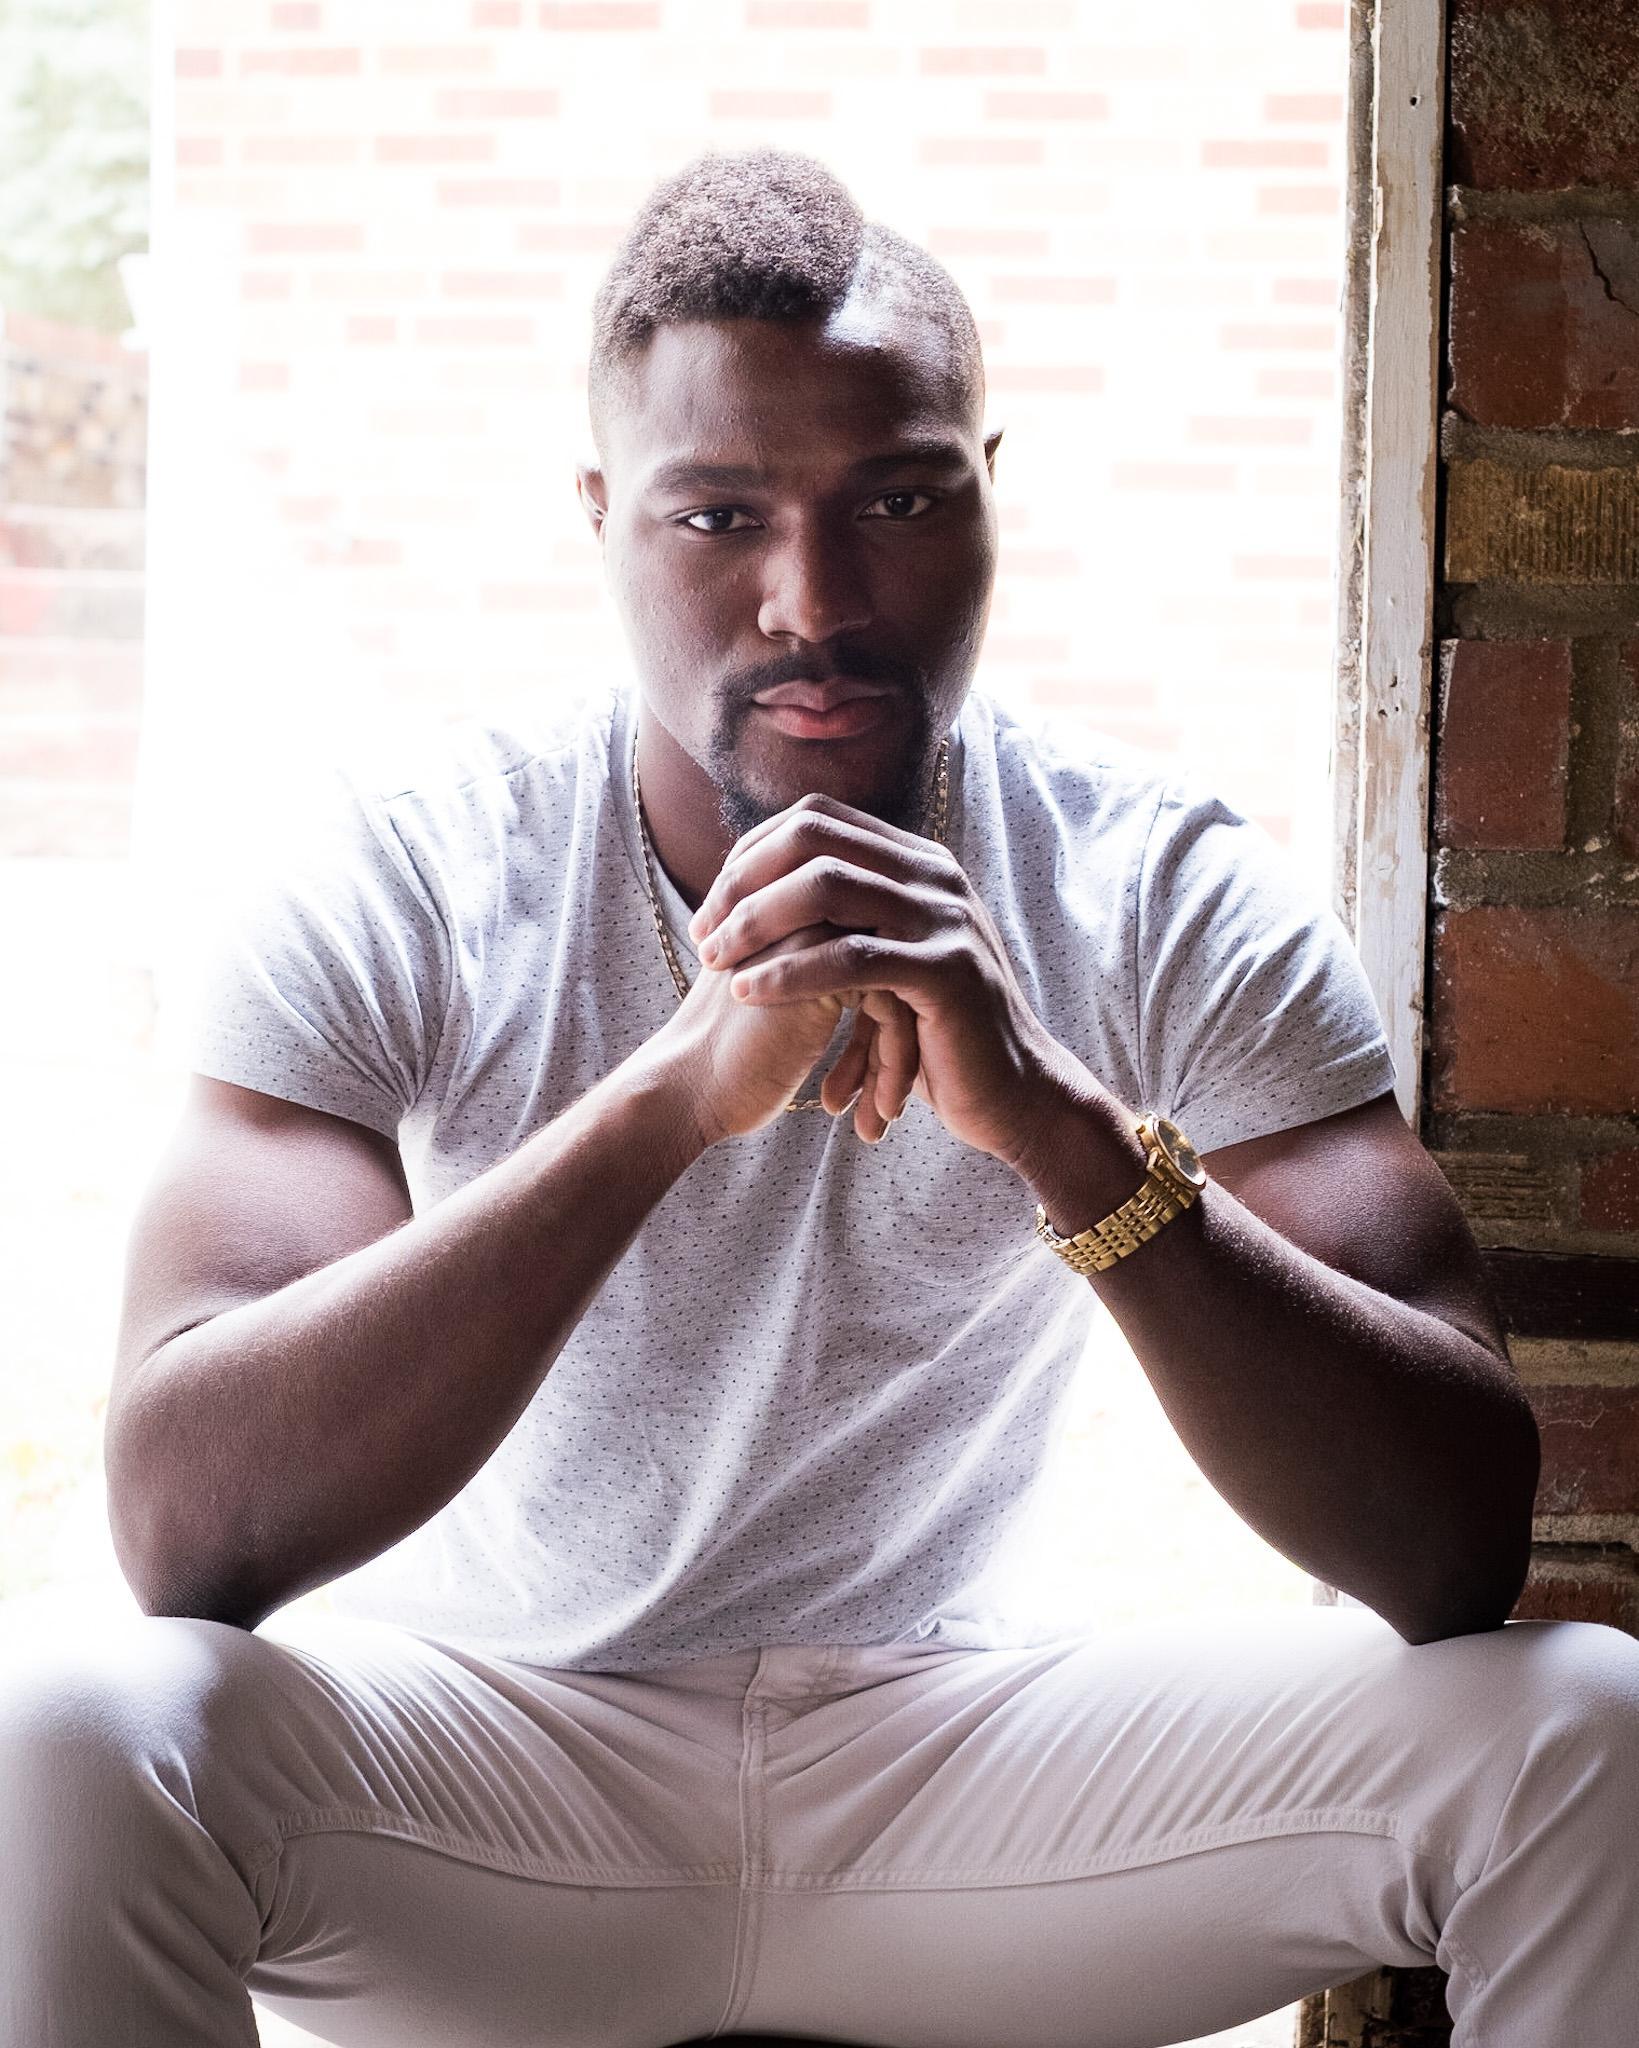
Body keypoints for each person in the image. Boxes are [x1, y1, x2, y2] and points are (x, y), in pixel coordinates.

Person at [3, 148, 1635, 2048]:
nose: (814, 598)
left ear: (989, 491)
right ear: (602, 517)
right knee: (78, 1736)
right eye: (719, 516)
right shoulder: (415, 873)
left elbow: (1451, 1546)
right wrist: (674, 1094)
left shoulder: (1154, 880)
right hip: (485, 1781)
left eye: (899, 499)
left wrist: (1055, 1125)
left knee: (1583, 1732)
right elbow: (188, 1530)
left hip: (961, 1774)